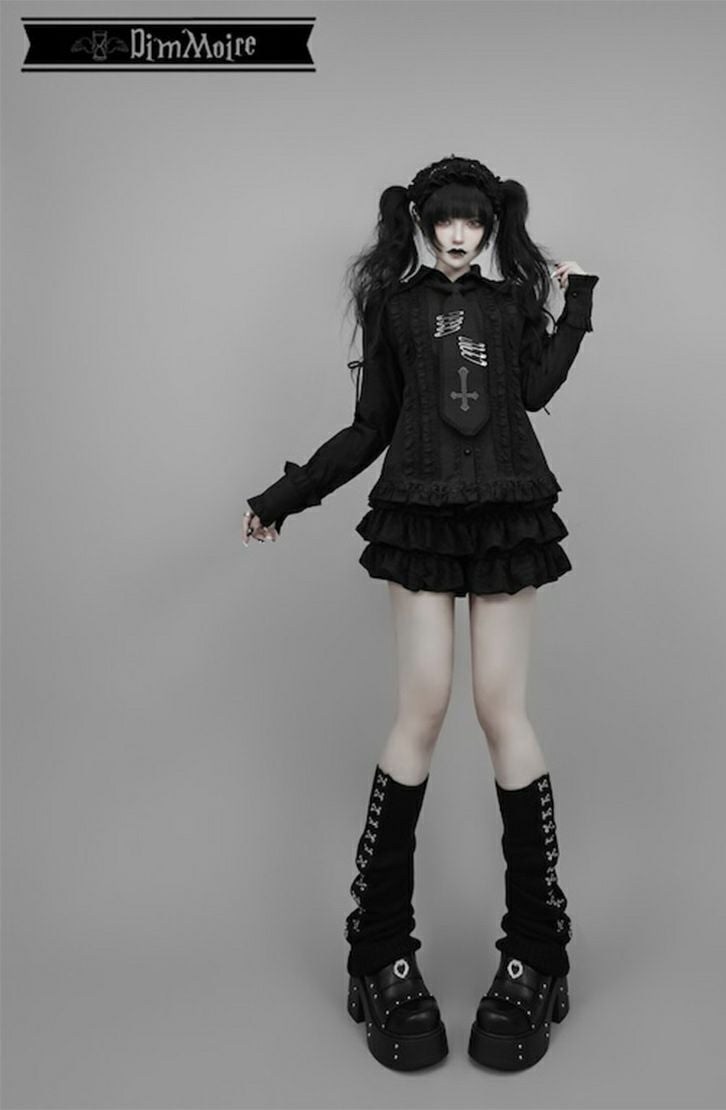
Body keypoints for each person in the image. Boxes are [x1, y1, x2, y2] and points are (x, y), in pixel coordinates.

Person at [243, 155, 599, 1072]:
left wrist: (576, 306)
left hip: (508, 511)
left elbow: (533, 391)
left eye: (472, 221)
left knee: (502, 709)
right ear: (418, 223)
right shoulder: (394, 308)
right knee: (424, 707)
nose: (457, 235)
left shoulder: (512, 303)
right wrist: (288, 496)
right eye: (443, 220)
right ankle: (378, 951)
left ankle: (538, 951)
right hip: (420, 516)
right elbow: (371, 425)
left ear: (492, 225)